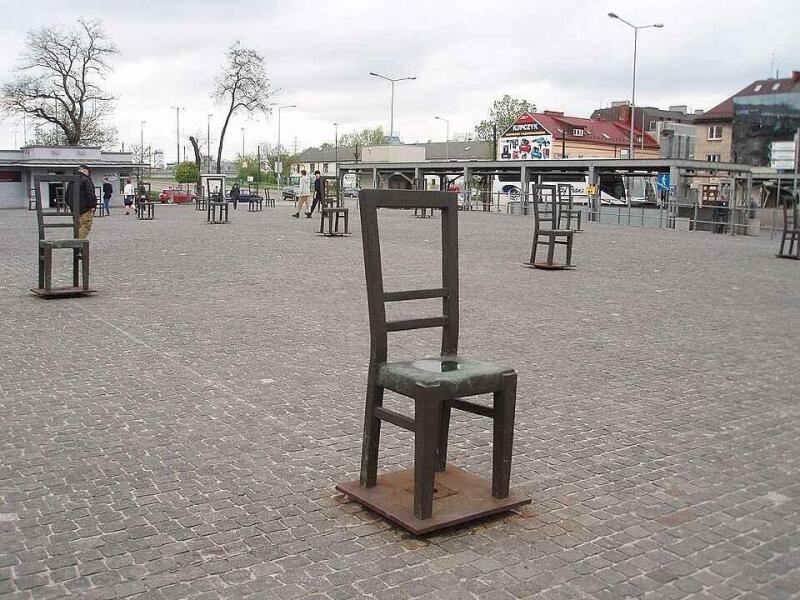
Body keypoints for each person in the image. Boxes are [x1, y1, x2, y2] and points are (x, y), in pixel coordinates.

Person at [65, 164, 97, 239]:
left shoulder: (71, 181)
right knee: (86, 225)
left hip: (74, 208)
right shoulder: (86, 179)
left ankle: (77, 242)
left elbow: (67, 195)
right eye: (89, 172)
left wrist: (70, 205)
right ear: (85, 171)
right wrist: (93, 205)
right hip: (85, 208)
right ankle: (78, 242)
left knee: (77, 226)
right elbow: (90, 193)